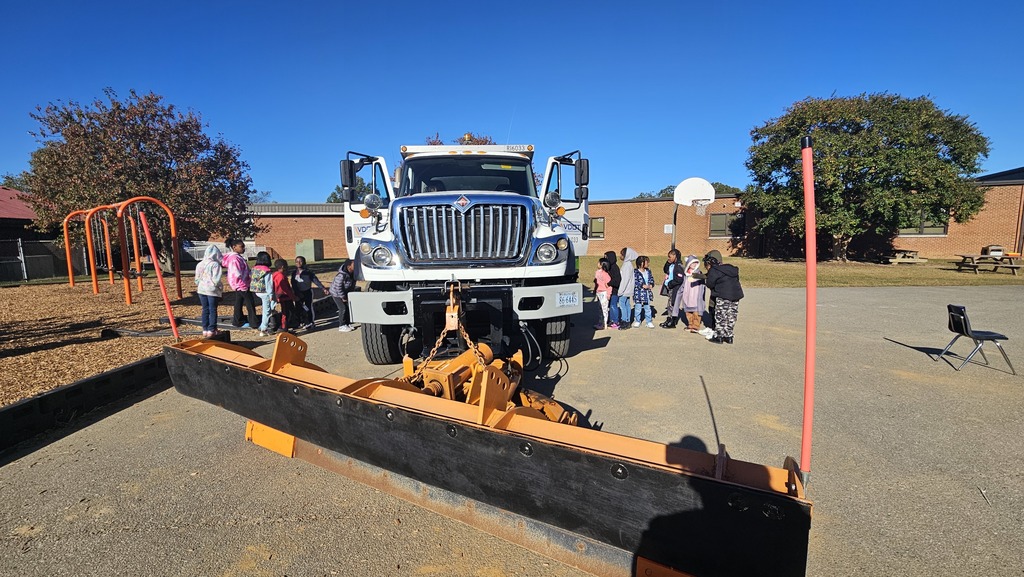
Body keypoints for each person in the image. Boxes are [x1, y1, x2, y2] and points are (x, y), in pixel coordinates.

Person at [696, 250, 744, 344]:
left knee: (721, 315)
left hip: (723, 295)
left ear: (710, 263)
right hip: (735, 295)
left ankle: (719, 336)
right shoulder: (729, 269)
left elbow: (710, 283)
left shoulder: (714, 270)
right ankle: (729, 336)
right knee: (731, 315)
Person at [222, 238, 258, 329]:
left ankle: (237, 321)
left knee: (239, 302)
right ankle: (254, 323)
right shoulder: (235, 259)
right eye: (241, 246)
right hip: (242, 284)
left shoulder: (237, 257)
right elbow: (236, 273)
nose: (243, 248)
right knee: (250, 303)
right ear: (234, 247)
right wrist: (244, 280)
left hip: (241, 284)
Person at [194, 244, 223, 338]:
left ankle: (205, 329)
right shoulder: (215, 265)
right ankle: (212, 329)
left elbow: (196, 279)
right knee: (213, 309)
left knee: (205, 309)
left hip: (201, 289)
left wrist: (200, 284)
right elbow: (216, 279)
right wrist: (219, 287)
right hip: (212, 290)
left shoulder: (199, 264)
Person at [290, 255, 327, 329]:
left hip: (307, 292)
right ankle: (300, 322)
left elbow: (315, 280)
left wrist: (323, 288)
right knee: (298, 308)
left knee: (308, 307)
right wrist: (296, 293)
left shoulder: (308, 272)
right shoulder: (294, 273)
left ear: (304, 262)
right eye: (297, 261)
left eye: (300, 261)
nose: (298, 263)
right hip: (298, 293)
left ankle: (311, 322)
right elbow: (293, 284)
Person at [250, 251, 274, 336]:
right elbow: (269, 284)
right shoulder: (267, 271)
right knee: (266, 311)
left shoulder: (255, 269)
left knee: (267, 309)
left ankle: (263, 325)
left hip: (257, 291)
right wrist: (271, 294)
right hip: (265, 293)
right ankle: (263, 329)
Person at [660, 249, 686, 328]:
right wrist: (668, 262)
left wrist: (670, 284)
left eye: (670, 257)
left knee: (673, 304)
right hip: (670, 288)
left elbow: (679, 279)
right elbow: (665, 270)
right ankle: (669, 318)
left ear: (675, 256)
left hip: (675, 288)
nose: (669, 258)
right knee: (669, 304)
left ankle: (673, 321)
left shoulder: (678, 266)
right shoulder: (671, 265)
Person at [329, 259, 358, 332]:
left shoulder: (353, 273)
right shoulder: (341, 275)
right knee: (343, 308)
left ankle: (347, 324)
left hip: (345, 293)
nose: (357, 266)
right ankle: (341, 325)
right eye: (354, 264)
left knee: (348, 308)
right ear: (349, 266)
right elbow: (338, 287)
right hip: (337, 294)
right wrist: (343, 297)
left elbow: (352, 285)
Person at [680, 255, 707, 333]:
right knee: (688, 312)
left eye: (696, 263)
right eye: (692, 263)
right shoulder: (686, 274)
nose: (694, 265)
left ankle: (696, 326)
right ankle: (690, 324)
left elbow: (702, 283)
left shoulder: (698, 273)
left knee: (696, 312)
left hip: (695, 295)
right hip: (687, 294)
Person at [272, 258, 298, 333]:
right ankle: (284, 328)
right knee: (286, 312)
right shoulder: (281, 276)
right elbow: (285, 289)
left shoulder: (275, 274)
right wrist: (293, 297)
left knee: (290, 311)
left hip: (282, 296)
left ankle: (290, 324)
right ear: (283, 267)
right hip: (284, 297)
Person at [631, 255, 656, 328]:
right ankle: (637, 320)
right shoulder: (635, 272)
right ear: (641, 263)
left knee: (647, 308)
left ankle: (649, 321)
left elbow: (651, 278)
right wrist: (642, 285)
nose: (648, 264)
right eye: (646, 262)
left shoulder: (648, 271)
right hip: (638, 293)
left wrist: (651, 284)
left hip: (647, 293)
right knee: (638, 308)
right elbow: (635, 281)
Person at [617, 247, 638, 326]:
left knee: (622, 304)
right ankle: (628, 320)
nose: (620, 256)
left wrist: (620, 291)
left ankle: (624, 320)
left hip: (625, 290)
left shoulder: (626, 266)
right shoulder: (629, 265)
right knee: (627, 304)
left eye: (622, 254)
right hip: (628, 289)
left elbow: (624, 280)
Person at [603, 250, 622, 329]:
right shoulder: (609, 267)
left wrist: (609, 283)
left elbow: (617, 280)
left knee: (613, 305)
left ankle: (616, 321)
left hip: (614, 291)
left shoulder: (615, 268)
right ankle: (611, 320)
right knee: (610, 306)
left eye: (606, 257)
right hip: (609, 291)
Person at [593, 258, 612, 330]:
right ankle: (601, 323)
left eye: (599, 263)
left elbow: (609, 286)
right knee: (600, 308)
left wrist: (608, 294)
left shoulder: (606, 275)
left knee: (604, 309)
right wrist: (595, 291)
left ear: (602, 265)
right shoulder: (597, 272)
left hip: (604, 293)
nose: (597, 264)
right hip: (598, 292)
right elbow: (596, 283)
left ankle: (605, 323)